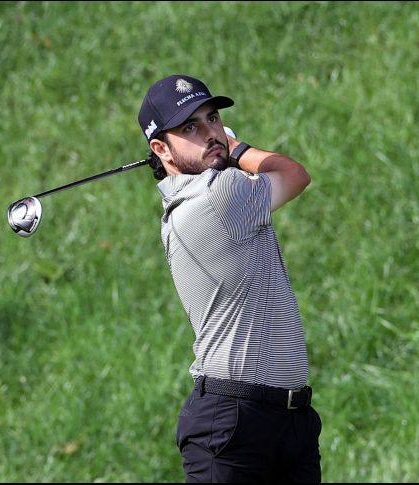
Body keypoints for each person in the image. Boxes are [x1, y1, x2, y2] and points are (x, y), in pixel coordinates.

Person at [137, 74, 322, 483]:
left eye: (213, 119)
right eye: (190, 127)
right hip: (235, 425)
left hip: (286, 422)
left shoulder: (196, 199)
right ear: (160, 149)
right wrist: (238, 149)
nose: (210, 133)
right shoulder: (218, 196)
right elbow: (294, 174)